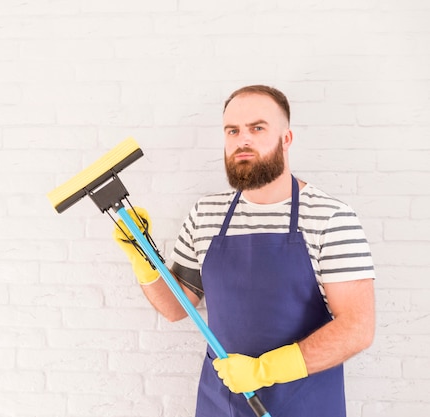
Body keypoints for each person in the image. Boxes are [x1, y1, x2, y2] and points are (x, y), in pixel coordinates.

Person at [113, 85, 376, 417]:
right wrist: (142, 256)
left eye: (257, 128)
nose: (243, 139)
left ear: (286, 138)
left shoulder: (329, 218)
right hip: (220, 403)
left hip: (304, 405)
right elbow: (177, 307)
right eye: (232, 131)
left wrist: (263, 370)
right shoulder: (205, 216)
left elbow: (357, 328)